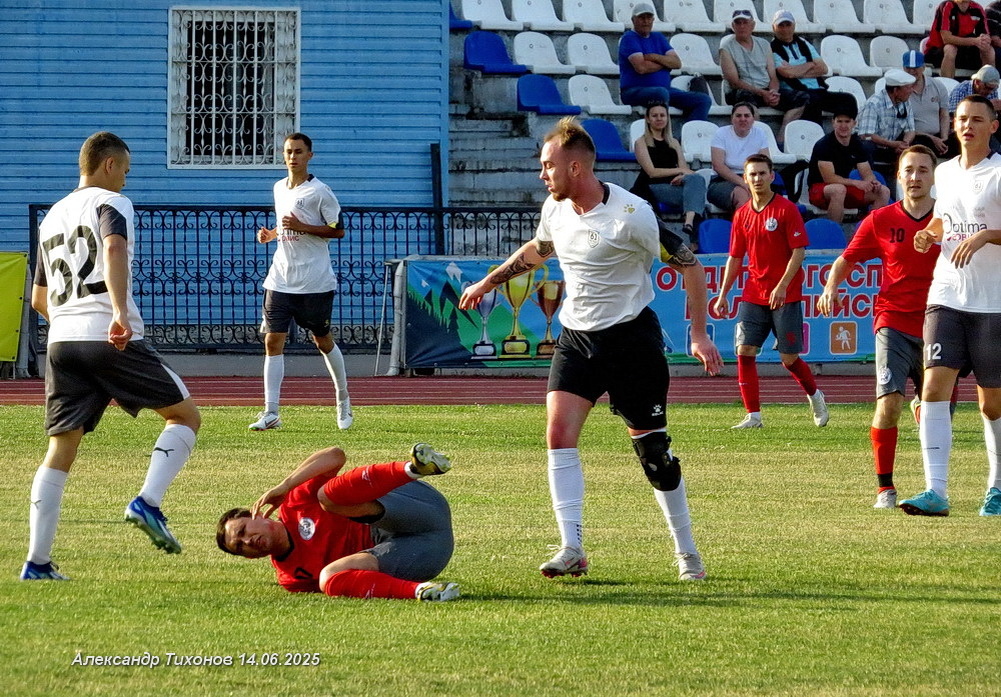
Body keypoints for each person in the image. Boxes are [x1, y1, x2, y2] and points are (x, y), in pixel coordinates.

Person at [458, 117, 724, 582]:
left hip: (631, 341)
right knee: (558, 435)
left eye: (548, 166)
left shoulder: (632, 214)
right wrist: (488, 281)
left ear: (576, 167)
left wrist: (699, 334)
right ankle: (572, 547)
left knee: (654, 456)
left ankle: (687, 554)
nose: (542, 174)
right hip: (577, 339)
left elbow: (692, 267)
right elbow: (538, 250)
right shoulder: (556, 209)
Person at [22, 132, 202, 581]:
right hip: (107, 334)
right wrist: (118, 312)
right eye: (124, 169)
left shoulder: (52, 217)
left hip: (62, 343)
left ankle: (37, 562)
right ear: (107, 165)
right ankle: (148, 502)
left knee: (60, 450)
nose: (125, 178)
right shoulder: (111, 202)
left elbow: (39, 297)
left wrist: (69, 318)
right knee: (184, 416)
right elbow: (114, 247)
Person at [817, 146, 940, 509]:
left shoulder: (948, 219)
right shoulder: (880, 221)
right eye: (908, 171)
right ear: (898, 177)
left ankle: (934, 474)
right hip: (892, 320)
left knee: (937, 411)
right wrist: (831, 286)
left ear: (933, 177)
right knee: (889, 404)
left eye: (922, 170)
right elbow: (846, 258)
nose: (915, 177)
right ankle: (885, 488)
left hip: (938, 321)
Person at [899, 95, 1001, 517]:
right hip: (947, 295)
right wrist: (930, 234)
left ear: (993, 126)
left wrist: (986, 237)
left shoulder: (999, 172)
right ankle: (935, 491)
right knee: (934, 386)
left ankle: (996, 488)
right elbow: (944, 218)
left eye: (977, 119)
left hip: (992, 301)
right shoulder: (943, 171)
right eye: (962, 119)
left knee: (990, 402)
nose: (968, 126)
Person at [217, 443, 460, 600]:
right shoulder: (291, 577)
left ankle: (414, 468)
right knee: (328, 577)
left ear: (256, 515)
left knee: (326, 496)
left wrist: (286, 484)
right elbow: (348, 583)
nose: (247, 540)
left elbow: (335, 455)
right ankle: (424, 592)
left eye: (242, 530)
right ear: (250, 557)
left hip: (416, 508)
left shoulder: (295, 502)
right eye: (240, 546)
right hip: (421, 553)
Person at [712, 154, 829, 430]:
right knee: (744, 350)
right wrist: (723, 294)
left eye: (762, 173)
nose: (757, 179)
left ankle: (816, 396)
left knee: (788, 359)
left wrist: (782, 286)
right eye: (752, 174)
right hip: (754, 292)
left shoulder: (786, 210)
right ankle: (753, 415)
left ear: (771, 176)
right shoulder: (741, 215)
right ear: (745, 178)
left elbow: (799, 251)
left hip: (785, 294)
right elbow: (735, 257)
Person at [251, 132, 352, 432]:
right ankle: (271, 412)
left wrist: (302, 227)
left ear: (310, 155)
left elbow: (337, 231)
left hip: (314, 281)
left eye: (298, 151)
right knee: (272, 340)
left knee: (321, 340)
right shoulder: (279, 188)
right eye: (288, 151)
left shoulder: (321, 192)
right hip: (280, 278)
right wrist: (271, 235)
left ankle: (343, 400)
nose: (292, 157)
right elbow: (286, 227)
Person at [720, 9, 807, 145]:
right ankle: (758, 140)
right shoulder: (726, 48)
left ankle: (781, 139)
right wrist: (763, 93)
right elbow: (735, 82)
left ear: (752, 25)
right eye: (738, 23)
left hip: (765, 89)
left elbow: (772, 75)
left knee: (802, 98)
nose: (742, 26)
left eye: (745, 22)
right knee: (745, 100)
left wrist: (773, 92)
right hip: (742, 91)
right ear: (733, 26)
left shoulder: (764, 44)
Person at [631, 102, 708, 248]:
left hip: (672, 185)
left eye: (662, 115)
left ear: (667, 118)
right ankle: (693, 239)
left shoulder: (673, 142)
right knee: (696, 194)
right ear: (648, 119)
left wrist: (683, 176)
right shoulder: (641, 142)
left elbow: (684, 168)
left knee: (697, 181)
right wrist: (679, 172)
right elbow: (652, 172)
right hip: (651, 187)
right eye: (654, 116)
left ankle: (689, 223)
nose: (659, 118)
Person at [618, 2, 711, 122]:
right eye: (642, 18)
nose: (646, 21)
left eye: (649, 17)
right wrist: (665, 64)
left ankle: (687, 136)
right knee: (660, 93)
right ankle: (663, 135)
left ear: (653, 19)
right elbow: (641, 67)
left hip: (664, 90)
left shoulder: (658, 37)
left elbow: (677, 63)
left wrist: (653, 57)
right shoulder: (629, 38)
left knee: (703, 100)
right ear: (633, 20)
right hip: (634, 91)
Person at [769, 10, 857, 125]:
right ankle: (815, 136)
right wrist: (810, 65)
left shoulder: (803, 43)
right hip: (796, 92)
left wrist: (796, 71)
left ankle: (842, 134)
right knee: (811, 100)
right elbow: (786, 73)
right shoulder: (772, 48)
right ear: (774, 27)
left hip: (818, 90)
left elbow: (823, 69)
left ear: (794, 25)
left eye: (788, 24)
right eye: (781, 25)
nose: (785, 29)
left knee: (848, 100)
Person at [807, 106, 891, 223]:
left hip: (844, 188)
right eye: (839, 121)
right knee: (838, 190)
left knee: (883, 191)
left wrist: (872, 182)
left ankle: (866, 230)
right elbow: (829, 178)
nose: (843, 126)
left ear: (854, 123)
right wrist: (856, 183)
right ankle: (835, 234)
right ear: (833, 123)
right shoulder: (824, 145)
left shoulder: (857, 144)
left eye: (847, 121)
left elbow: (866, 172)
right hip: (819, 189)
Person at [708, 102, 771, 214]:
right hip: (722, 180)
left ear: (753, 119)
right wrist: (745, 184)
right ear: (731, 119)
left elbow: (765, 163)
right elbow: (718, 166)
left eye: (747, 116)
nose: (743, 119)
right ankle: (742, 231)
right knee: (743, 196)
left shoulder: (760, 134)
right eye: (738, 116)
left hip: (752, 179)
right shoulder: (721, 133)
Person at [857, 69, 917, 183]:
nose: (911, 91)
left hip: (892, 145)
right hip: (875, 146)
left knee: (915, 146)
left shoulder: (905, 102)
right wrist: (893, 144)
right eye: (908, 87)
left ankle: (904, 185)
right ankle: (872, 183)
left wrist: (905, 143)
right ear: (896, 90)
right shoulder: (874, 104)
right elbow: (867, 135)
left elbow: (910, 130)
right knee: (866, 147)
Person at [924, 0, 993, 79]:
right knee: (950, 49)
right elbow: (946, 39)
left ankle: (988, 85)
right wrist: (974, 41)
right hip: (937, 50)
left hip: (963, 51)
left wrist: (985, 41)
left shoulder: (977, 8)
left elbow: (985, 35)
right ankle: (947, 86)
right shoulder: (946, 6)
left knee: (989, 50)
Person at [901, 51, 952, 157]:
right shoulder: (900, 90)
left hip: (938, 135)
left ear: (923, 68)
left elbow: (944, 114)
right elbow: (901, 126)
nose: (911, 71)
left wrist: (944, 138)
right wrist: (932, 138)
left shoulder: (937, 86)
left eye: (915, 68)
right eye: (908, 68)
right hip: (915, 137)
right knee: (920, 144)